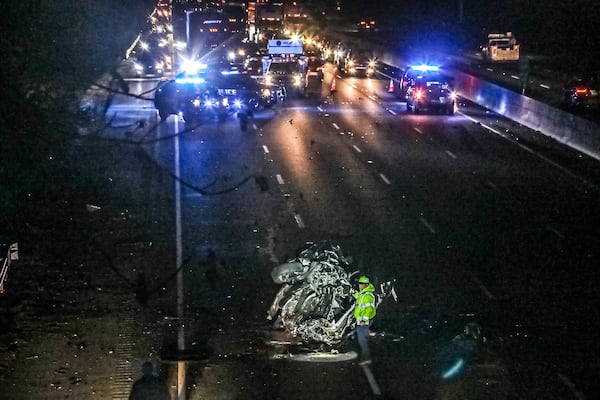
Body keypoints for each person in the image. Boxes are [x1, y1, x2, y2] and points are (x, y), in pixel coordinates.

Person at [353, 275, 376, 364]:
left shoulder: (367, 295)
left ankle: (366, 358)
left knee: (362, 340)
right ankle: (365, 357)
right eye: (359, 283)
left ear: (365, 285)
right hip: (360, 321)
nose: (359, 285)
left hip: (363, 322)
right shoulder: (363, 294)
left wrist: (364, 320)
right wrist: (353, 292)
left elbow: (369, 309)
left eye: (360, 283)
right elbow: (358, 297)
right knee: (362, 339)